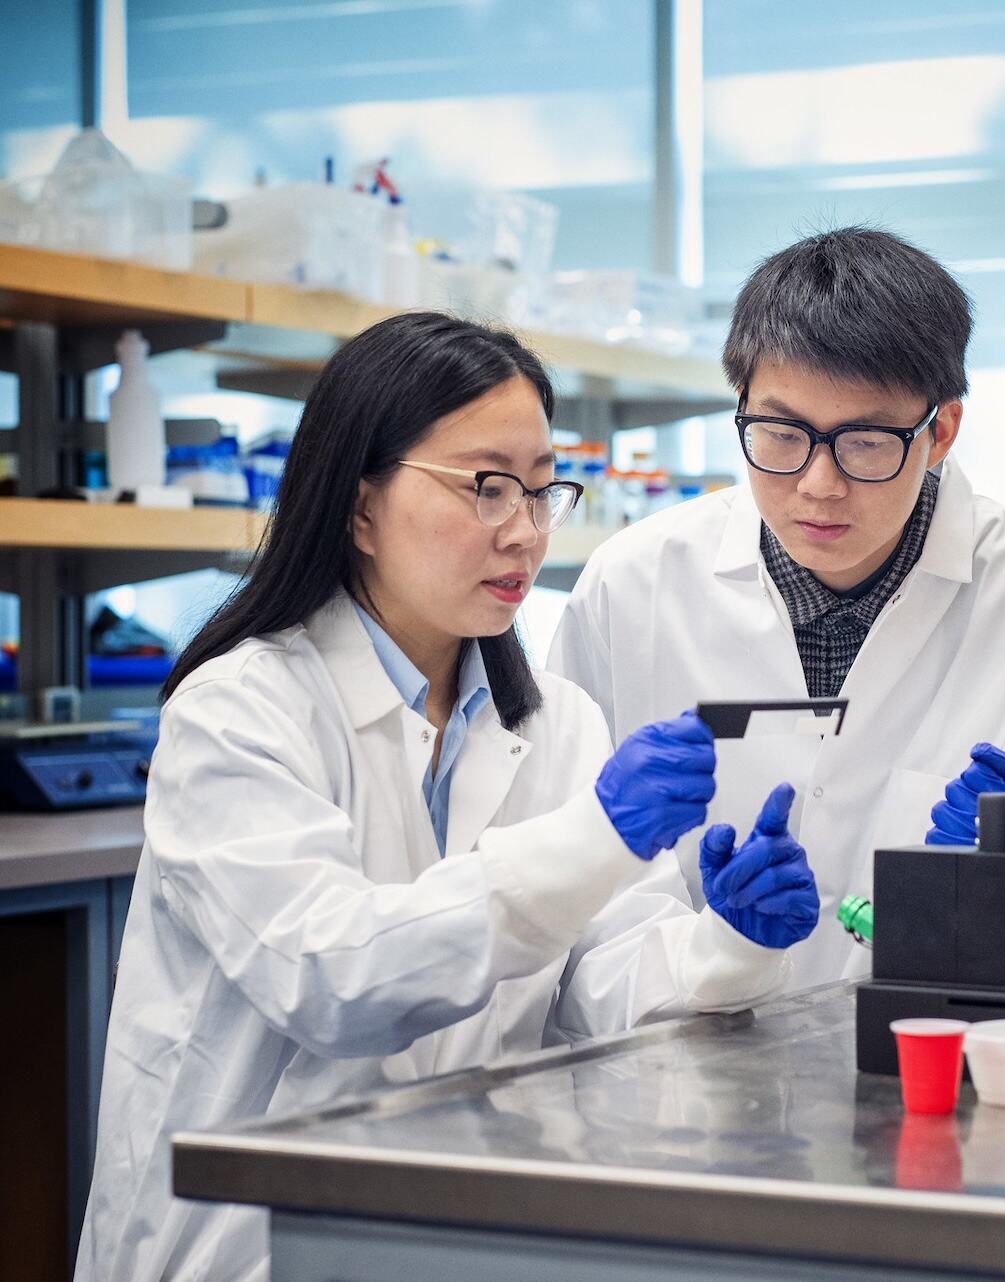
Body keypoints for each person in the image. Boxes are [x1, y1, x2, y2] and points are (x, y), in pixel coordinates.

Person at [76, 313, 820, 1282]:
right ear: (360, 506)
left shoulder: (557, 722)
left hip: (460, 1232)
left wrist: (726, 942)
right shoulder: (238, 710)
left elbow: (593, 987)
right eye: (486, 486)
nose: (525, 527)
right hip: (245, 1244)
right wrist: (596, 837)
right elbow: (331, 978)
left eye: (543, 487)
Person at [549, 227, 1005, 990]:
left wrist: (1003, 888)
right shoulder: (632, 584)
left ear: (939, 430)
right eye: (782, 434)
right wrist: (708, 961)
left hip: (922, 1062)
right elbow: (571, 902)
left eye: (865, 442)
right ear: (740, 408)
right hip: (679, 1066)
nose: (818, 484)